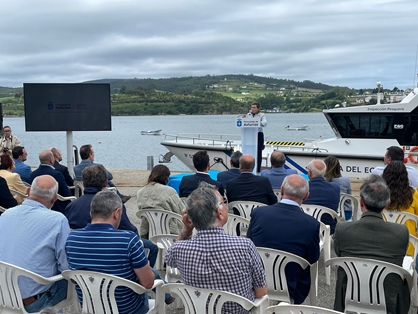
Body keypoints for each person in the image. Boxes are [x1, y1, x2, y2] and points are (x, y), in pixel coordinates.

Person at [165, 182, 267, 314]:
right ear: (219, 213)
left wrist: (186, 230)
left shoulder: (179, 249)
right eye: (223, 202)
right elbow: (261, 292)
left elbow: (168, 260)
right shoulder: (245, 246)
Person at [65, 190, 156, 314]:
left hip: (90, 307)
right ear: (117, 213)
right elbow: (148, 283)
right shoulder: (128, 239)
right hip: (127, 309)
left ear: (91, 213)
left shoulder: (72, 238)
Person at [333, 176, 410, 314]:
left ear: (361, 201)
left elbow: (339, 253)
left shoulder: (343, 229)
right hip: (389, 298)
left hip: (350, 292)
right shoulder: (401, 232)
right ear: (388, 203)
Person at [65, 165, 158, 268]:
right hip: (110, 252)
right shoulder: (113, 205)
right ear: (106, 183)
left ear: (83, 183)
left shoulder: (71, 206)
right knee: (151, 247)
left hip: (82, 257)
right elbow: (130, 231)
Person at [0, 175, 70, 313]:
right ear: (55, 198)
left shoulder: (6, 215)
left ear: (28, 191)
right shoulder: (57, 220)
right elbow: (66, 267)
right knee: (76, 280)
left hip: (4, 295)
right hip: (33, 301)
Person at [247, 174, 319, 304]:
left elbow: (249, 244)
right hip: (292, 286)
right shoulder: (311, 224)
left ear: (281, 190)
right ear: (306, 196)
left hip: (255, 281)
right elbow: (313, 258)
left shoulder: (259, 213)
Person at [382, 160, 418, 256]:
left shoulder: (379, 195)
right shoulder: (414, 195)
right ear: (405, 176)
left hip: (382, 244)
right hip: (408, 246)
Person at [137, 164, 183, 238]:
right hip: (171, 234)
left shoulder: (140, 192)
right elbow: (181, 210)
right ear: (166, 177)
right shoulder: (169, 191)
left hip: (150, 233)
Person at [303, 159, 340, 234]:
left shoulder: (303, 187)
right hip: (328, 230)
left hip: (305, 228)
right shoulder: (335, 187)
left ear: (309, 172)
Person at [30, 150, 72, 214]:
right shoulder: (57, 174)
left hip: (38, 207)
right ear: (51, 160)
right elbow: (67, 193)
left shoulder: (33, 174)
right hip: (57, 207)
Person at [324, 156, 352, 220]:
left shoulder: (322, 181)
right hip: (345, 213)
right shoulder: (346, 180)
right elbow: (349, 198)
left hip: (327, 213)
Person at [245, 102, 267, 173]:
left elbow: (264, 123)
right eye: (252, 107)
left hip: (258, 134)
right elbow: (245, 123)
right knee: (249, 151)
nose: (253, 109)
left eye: (254, 107)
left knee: (258, 152)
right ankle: (248, 168)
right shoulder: (248, 115)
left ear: (258, 108)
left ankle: (257, 169)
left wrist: (257, 122)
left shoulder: (262, 115)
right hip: (250, 135)